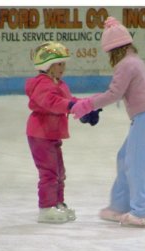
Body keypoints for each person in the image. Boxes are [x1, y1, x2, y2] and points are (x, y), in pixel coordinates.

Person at [70, 17, 145, 228]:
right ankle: (120, 206)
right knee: (124, 158)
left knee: (135, 164)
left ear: (114, 49)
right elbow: (118, 93)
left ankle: (143, 212)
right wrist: (93, 102)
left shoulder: (126, 64)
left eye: (109, 52)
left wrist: (89, 104)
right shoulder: (134, 60)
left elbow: (114, 93)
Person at [25, 41, 101, 224]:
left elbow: (69, 100)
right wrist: (72, 106)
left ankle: (58, 203)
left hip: (51, 134)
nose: (63, 68)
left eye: (64, 63)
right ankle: (46, 207)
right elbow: (52, 102)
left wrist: (86, 108)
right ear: (47, 65)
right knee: (49, 172)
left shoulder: (59, 83)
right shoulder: (42, 84)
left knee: (59, 172)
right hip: (40, 134)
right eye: (59, 64)